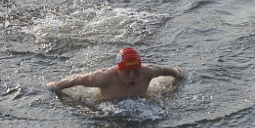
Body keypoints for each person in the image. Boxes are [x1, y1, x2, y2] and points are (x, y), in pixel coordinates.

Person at [46, 47, 182, 101]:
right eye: (127, 72)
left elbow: (169, 71)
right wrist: (53, 86)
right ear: (118, 70)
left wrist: (178, 75)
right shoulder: (103, 78)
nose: (132, 76)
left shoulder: (148, 72)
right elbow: (76, 80)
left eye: (136, 71)